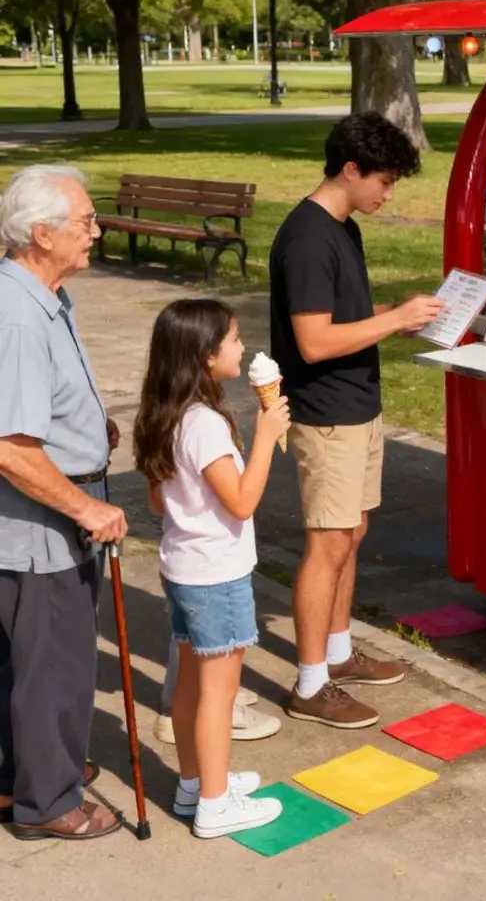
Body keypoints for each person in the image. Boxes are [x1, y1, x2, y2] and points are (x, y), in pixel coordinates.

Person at [269, 112, 444, 728]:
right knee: (328, 543)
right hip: (326, 413)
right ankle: (310, 684)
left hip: (357, 405)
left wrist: (395, 308)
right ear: (350, 169)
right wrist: (395, 321)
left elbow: (341, 313)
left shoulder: (343, 228)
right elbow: (314, 342)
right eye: (385, 181)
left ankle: (338, 654)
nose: (388, 195)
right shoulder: (308, 239)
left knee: (352, 532)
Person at [0, 164, 126, 840]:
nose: (96, 231)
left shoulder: (44, 293)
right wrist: (85, 507)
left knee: (25, 660)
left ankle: (23, 773)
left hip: (51, 507)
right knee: (55, 664)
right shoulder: (20, 315)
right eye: (85, 222)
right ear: (42, 234)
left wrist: (88, 428)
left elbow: (41, 405)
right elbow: (11, 448)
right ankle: (49, 801)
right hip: (42, 523)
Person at [133, 299, 288, 838]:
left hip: (182, 568)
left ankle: (195, 784)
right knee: (218, 695)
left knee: (189, 687)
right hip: (216, 575)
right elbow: (242, 502)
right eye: (235, 339)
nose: (242, 348)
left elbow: (158, 502)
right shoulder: (203, 424)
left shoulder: (165, 413)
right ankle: (216, 805)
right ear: (206, 355)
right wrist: (265, 437)